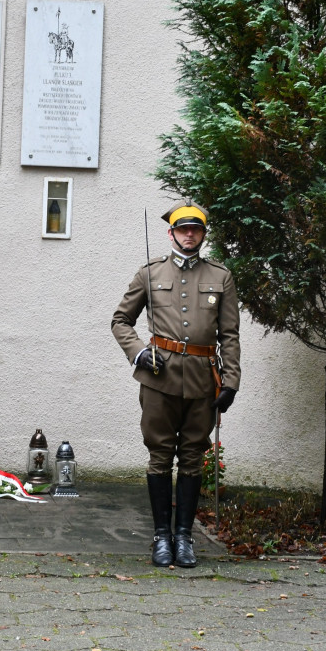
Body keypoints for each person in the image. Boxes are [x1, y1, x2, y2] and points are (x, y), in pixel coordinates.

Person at [111, 202, 241, 568]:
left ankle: (184, 537)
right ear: (170, 233)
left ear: (202, 235)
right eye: (182, 230)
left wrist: (230, 381)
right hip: (159, 378)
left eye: (195, 230)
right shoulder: (149, 274)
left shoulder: (221, 277)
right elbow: (121, 320)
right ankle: (161, 537)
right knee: (159, 456)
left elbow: (229, 335)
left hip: (202, 381)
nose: (189, 235)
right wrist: (138, 352)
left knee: (192, 459)